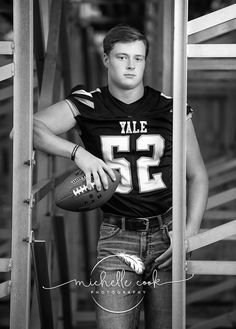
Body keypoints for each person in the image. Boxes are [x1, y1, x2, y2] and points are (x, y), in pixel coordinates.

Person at [33, 25, 208, 329]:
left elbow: (198, 176)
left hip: (167, 234)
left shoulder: (170, 108)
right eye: (122, 57)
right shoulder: (88, 104)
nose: (130, 65)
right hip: (117, 238)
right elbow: (28, 128)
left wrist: (188, 234)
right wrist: (79, 153)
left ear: (145, 62)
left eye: (138, 59)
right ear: (106, 59)